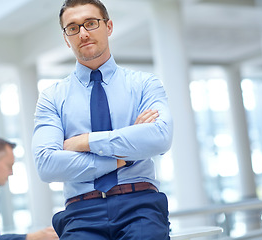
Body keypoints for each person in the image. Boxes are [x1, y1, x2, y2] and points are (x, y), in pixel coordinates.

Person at [32, 0, 173, 239]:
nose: (83, 33)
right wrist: (124, 156)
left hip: (140, 205)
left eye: (90, 23)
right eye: (73, 28)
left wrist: (84, 141)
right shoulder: (52, 97)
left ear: (108, 27)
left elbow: (160, 138)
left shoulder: (144, 84)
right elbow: (47, 165)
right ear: (66, 38)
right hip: (81, 213)